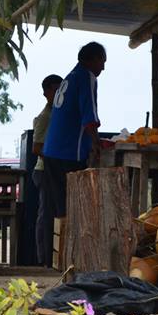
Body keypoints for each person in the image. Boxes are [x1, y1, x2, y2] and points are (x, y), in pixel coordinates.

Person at [42, 42, 106, 219]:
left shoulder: (69, 77)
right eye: (102, 61)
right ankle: (70, 246)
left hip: (51, 152)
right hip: (69, 154)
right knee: (74, 210)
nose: (103, 68)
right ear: (94, 59)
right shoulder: (87, 77)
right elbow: (90, 118)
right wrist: (96, 144)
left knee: (58, 211)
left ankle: (58, 246)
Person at [31, 74, 62, 266]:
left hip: (57, 170)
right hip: (45, 171)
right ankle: (44, 260)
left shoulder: (61, 114)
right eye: (56, 90)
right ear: (47, 93)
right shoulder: (44, 117)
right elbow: (36, 148)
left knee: (57, 216)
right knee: (46, 216)